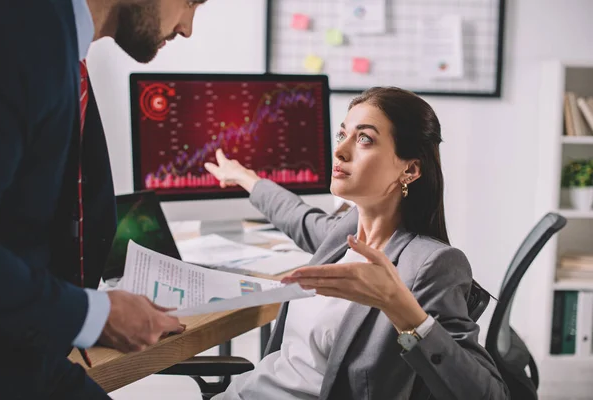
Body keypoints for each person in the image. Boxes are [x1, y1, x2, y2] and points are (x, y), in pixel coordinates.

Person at [203, 87, 510, 399]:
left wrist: (402, 309)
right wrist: (244, 177)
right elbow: (297, 216)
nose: (340, 151)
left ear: (410, 169)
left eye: (365, 139)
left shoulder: (430, 264)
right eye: (342, 135)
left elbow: (490, 395)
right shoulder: (346, 233)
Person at [0, 0, 206, 398]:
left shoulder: (60, 48)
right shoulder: (17, 34)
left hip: (33, 357)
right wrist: (93, 315)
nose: (187, 27)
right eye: (192, 2)